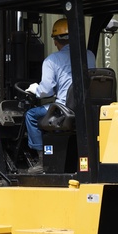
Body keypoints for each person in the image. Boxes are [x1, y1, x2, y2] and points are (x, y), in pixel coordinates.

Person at [24, 18, 95, 173]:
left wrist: (34, 90)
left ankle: (41, 160)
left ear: (57, 40)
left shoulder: (52, 60)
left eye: (55, 39)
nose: (55, 43)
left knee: (31, 115)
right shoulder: (89, 55)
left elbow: (46, 91)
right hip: (86, 108)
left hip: (64, 109)